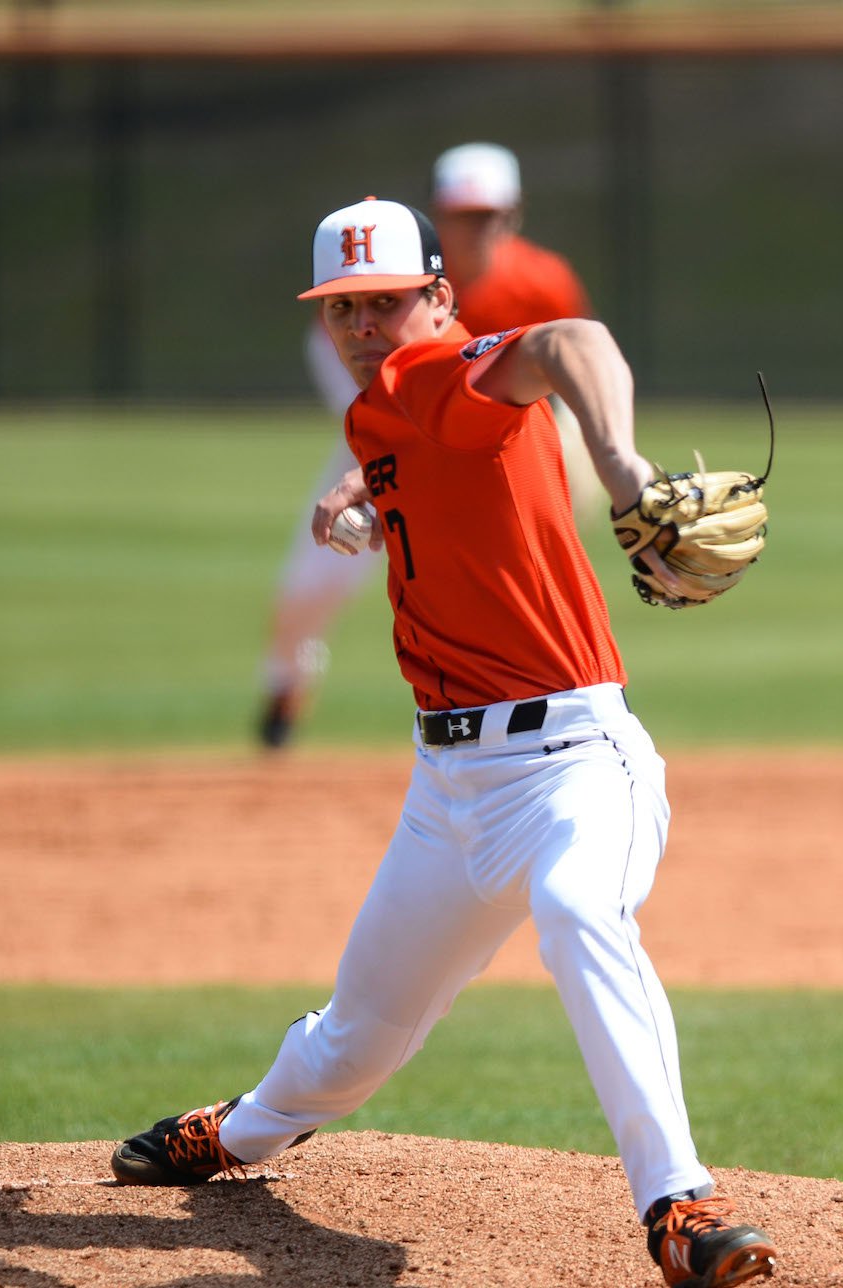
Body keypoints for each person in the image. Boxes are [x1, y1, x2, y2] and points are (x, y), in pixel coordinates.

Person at [110, 196, 780, 1288]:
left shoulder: (459, 373)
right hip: (447, 789)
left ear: (439, 299)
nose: (366, 326)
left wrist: (618, 464)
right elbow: (400, 448)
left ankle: (679, 1203)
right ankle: (243, 1132)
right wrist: (356, 498)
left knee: (576, 912)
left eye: (386, 302)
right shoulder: (379, 413)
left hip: (573, 766)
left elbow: (573, 343)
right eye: (343, 309)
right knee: (352, 1038)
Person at [256, 142, 599, 749]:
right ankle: (287, 686)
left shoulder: (541, 279)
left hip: (496, 442)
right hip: (378, 434)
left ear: (512, 215)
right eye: (462, 216)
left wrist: (595, 450)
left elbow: (569, 360)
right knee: (310, 581)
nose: (475, 228)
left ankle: (554, 689)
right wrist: (387, 441)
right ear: (441, 217)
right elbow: (331, 349)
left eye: (486, 215)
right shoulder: (391, 270)